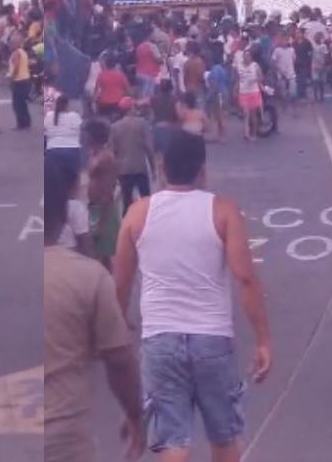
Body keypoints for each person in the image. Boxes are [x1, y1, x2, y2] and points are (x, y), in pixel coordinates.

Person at [113, 130, 273, 462]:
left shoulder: (137, 214)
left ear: (160, 167)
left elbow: (120, 288)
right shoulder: (223, 210)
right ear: (202, 169)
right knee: (225, 437)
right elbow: (245, 278)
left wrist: (117, 349)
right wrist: (263, 340)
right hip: (212, 339)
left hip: (160, 340)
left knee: (173, 441)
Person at [43, 158, 144, 462]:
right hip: (63, 441)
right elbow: (120, 361)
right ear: (65, 210)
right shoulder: (87, 277)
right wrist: (136, 416)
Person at [84, 120, 119, 269]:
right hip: (95, 207)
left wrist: (101, 224)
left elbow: (107, 191)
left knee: (100, 256)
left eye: (86, 135)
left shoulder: (105, 158)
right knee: (102, 258)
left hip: (103, 210)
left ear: (93, 136)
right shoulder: (95, 154)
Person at [111, 99, 155, 213]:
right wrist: (153, 168)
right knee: (146, 202)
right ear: (132, 108)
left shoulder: (115, 127)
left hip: (123, 170)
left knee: (127, 203)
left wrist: (114, 174)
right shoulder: (142, 123)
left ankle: (128, 226)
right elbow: (149, 148)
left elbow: (112, 152)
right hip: (140, 168)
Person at [43, 94, 83, 177]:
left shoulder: (49, 116)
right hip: (72, 150)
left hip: (53, 150)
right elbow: (81, 130)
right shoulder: (74, 116)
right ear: (67, 105)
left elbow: (45, 131)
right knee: (73, 181)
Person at [236, 49, 264, 141]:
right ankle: (246, 133)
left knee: (253, 114)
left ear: (251, 57)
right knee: (245, 113)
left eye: (248, 56)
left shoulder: (255, 66)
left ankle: (254, 133)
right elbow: (238, 78)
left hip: (253, 92)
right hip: (243, 92)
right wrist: (235, 88)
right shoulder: (239, 66)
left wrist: (256, 79)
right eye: (244, 55)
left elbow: (261, 77)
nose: (246, 57)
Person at [6, 37, 33, 130]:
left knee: (17, 104)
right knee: (22, 103)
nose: (9, 45)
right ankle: (27, 122)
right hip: (25, 79)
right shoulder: (23, 52)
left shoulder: (16, 53)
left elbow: (16, 66)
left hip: (18, 80)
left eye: (11, 43)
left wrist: (12, 78)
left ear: (16, 44)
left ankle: (21, 124)